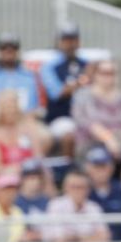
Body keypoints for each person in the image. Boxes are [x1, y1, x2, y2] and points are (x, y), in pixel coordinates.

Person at [70, 60, 121, 161]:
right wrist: (108, 139)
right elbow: (85, 122)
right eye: (104, 73)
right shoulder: (83, 96)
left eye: (112, 73)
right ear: (95, 74)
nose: (109, 77)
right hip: (92, 144)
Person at [39, 22, 89, 158]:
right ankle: (70, 172)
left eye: (73, 39)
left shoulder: (86, 63)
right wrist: (81, 82)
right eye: (66, 40)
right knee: (69, 134)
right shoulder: (50, 67)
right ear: (59, 42)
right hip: (61, 118)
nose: (70, 44)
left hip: (87, 116)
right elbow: (57, 93)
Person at [0, 34, 42, 117]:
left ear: (18, 51)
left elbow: (34, 106)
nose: (8, 51)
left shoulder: (30, 76)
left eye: (13, 48)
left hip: (26, 122)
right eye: (3, 48)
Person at [83, 146, 121, 212]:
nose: (100, 171)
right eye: (96, 167)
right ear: (88, 168)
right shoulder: (82, 189)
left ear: (111, 168)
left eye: (103, 166)